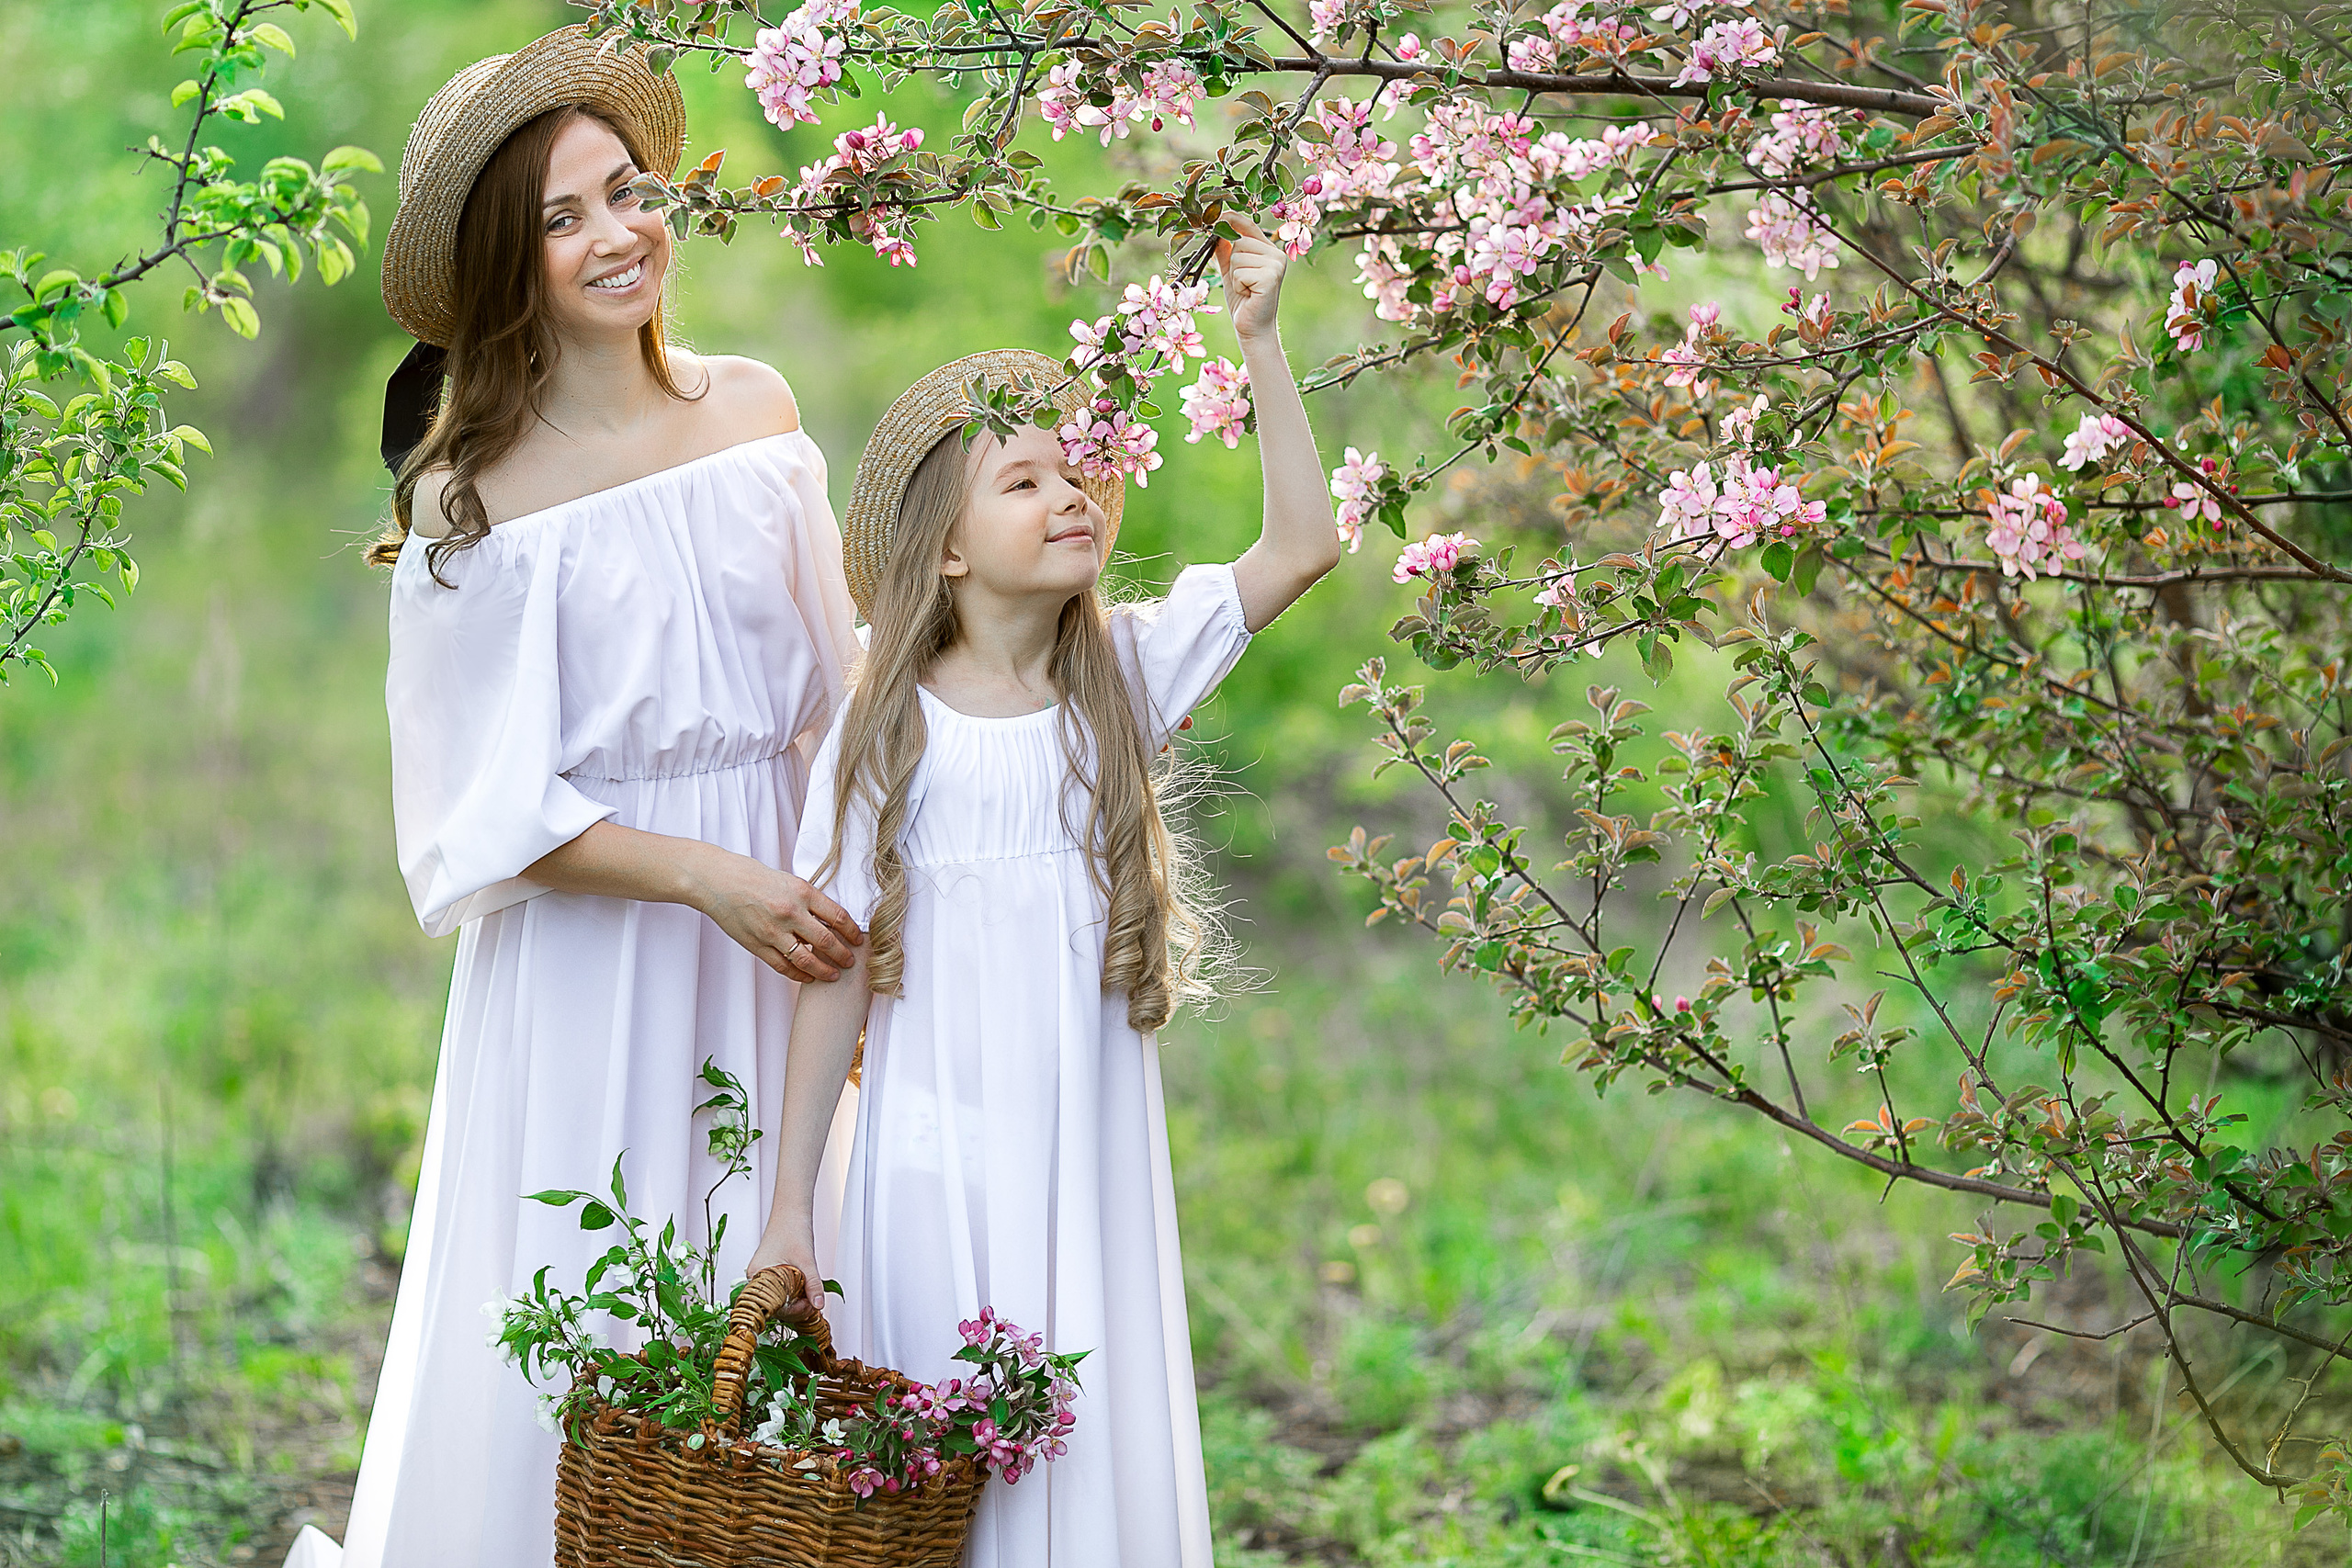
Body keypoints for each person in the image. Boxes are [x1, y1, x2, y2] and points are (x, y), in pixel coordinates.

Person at [287, 26, 865, 1568]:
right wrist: (705, 877)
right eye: (562, 219)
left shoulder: (757, 413)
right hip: (599, 953)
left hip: (784, 921)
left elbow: (840, 691)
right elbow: (480, 809)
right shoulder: (474, 494)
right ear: (507, 262)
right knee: (591, 1305)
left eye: (629, 192)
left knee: (781, 1292)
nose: (617, 236)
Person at [745, 216, 1342, 1566]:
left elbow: (1303, 545)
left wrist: (1259, 343)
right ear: (945, 550)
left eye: (1081, 474)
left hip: (1084, 1144)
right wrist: (793, 1201)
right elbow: (832, 967)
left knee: (1087, 1416)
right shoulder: (881, 729)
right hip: (926, 1161)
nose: (1073, 495)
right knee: (949, 1459)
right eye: (1024, 482)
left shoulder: (1121, 678)